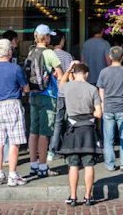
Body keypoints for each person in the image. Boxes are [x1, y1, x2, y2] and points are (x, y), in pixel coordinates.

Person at [0, 39, 29, 186]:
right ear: (10, 52)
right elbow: (26, 88)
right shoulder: (15, 68)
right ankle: (12, 175)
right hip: (13, 105)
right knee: (14, 143)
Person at [58, 62, 102, 207]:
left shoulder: (67, 87)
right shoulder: (92, 89)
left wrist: (68, 69)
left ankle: (73, 197)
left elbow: (61, 83)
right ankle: (88, 197)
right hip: (88, 129)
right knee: (89, 164)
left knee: (73, 165)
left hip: (73, 128)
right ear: (86, 74)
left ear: (73, 73)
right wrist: (90, 112)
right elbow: (99, 114)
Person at [28, 24, 64, 177]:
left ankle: (33, 164)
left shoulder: (31, 51)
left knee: (33, 130)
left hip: (33, 94)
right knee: (45, 132)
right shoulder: (49, 53)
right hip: (48, 96)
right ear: (46, 37)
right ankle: (43, 166)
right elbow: (61, 75)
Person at [48, 29, 73, 160]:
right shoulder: (67, 56)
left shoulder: (48, 54)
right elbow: (71, 74)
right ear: (62, 40)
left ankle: (53, 149)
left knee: (56, 122)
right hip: (66, 91)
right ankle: (67, 147)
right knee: (69, 121)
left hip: (53, 92)